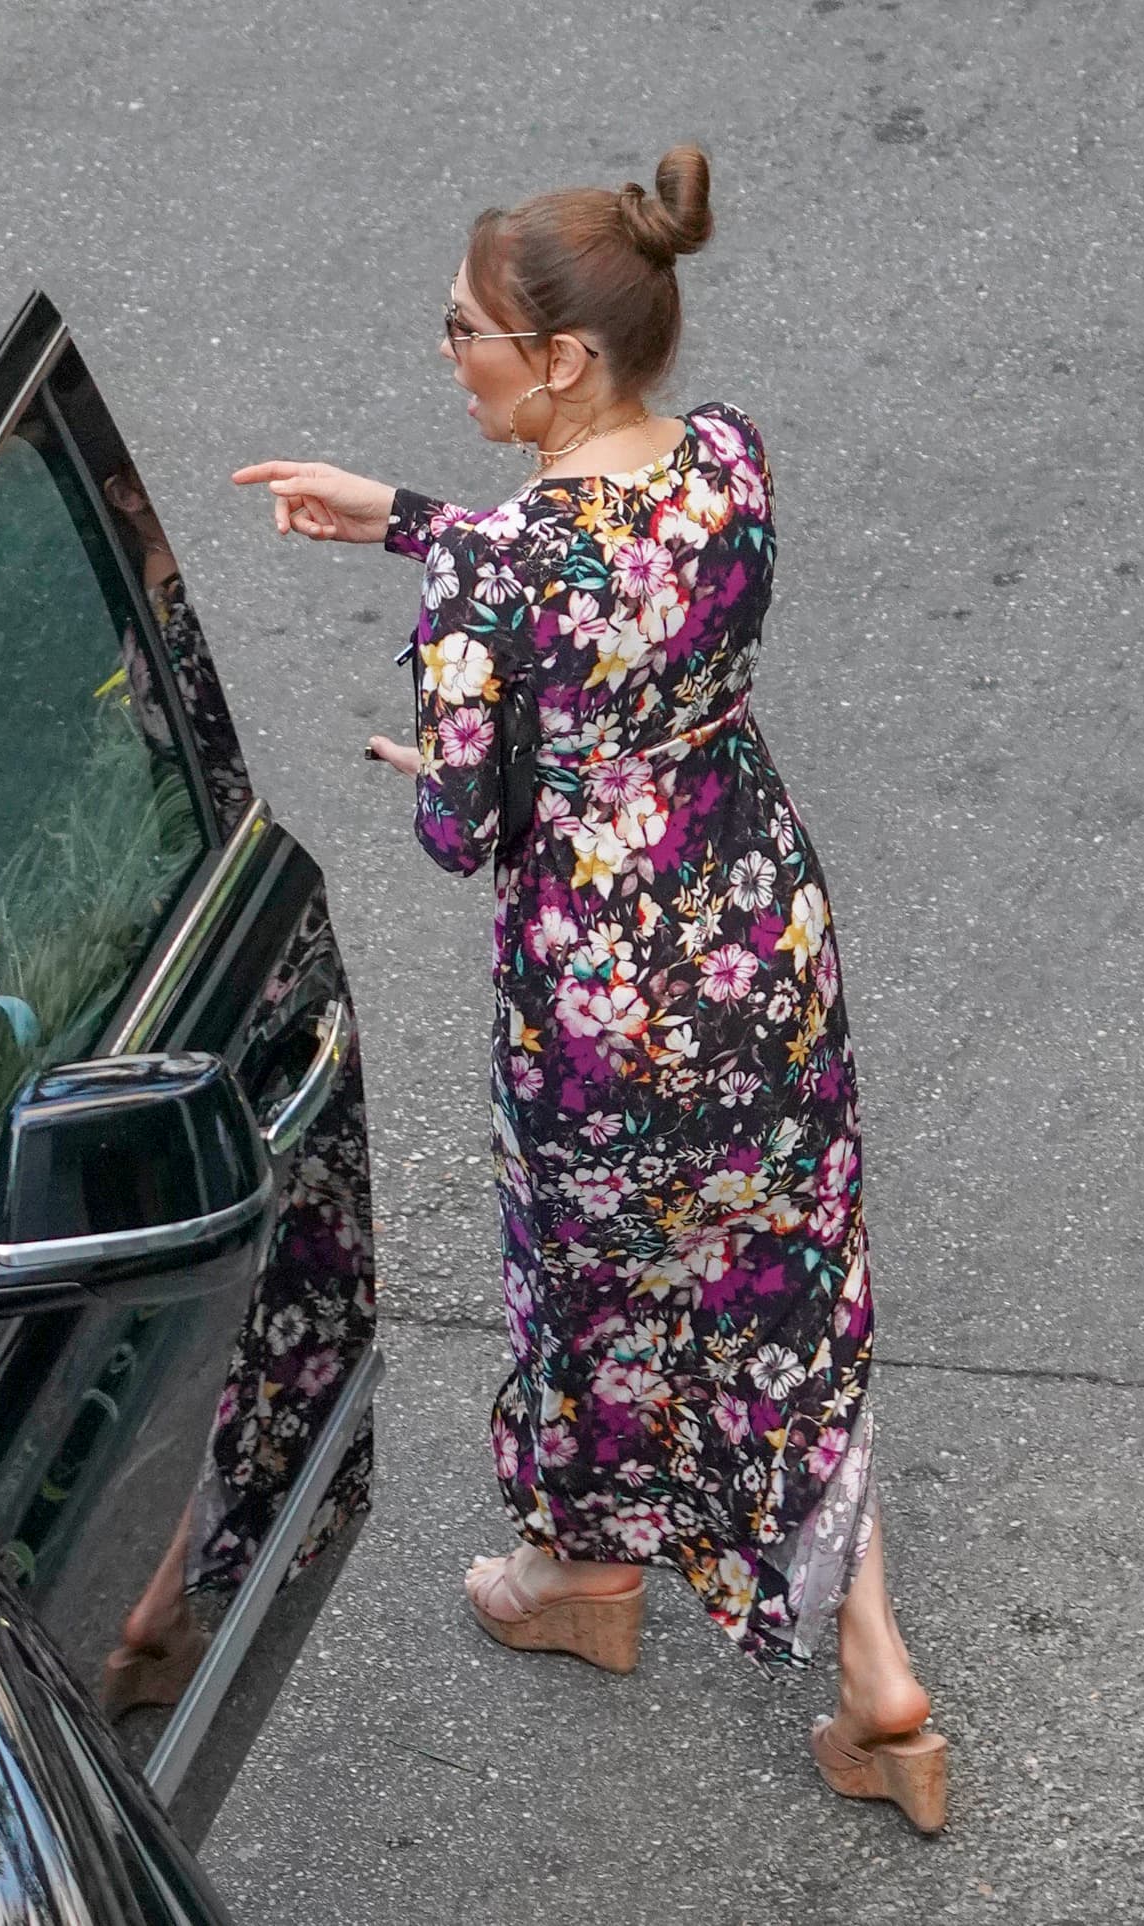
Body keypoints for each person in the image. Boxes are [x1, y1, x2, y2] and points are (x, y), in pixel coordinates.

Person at [234, 145, 946, 1833]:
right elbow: (610, 574)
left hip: (602, 1003)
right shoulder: (730, 461)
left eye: (464, 331)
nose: (448, 354)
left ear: (556, 358)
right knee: (780, 1290)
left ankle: (580, 1572)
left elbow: (459, 827)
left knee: (588, 1285)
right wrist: (408, 517)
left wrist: (444, 727)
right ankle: (879, 1676)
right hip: (761, 942)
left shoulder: (491, 580)